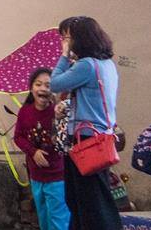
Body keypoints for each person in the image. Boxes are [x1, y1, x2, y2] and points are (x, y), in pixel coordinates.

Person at [50, 16, 121, 230]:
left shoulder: (86, 66)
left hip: (86, 140)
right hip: (100, 137)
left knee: (89, 202)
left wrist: (63, 56)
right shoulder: (105, 64)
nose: (65, 42)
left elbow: (54, 83)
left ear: (80, 39)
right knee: (87, 199)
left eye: (67, 38)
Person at [13, 67, 69, 230]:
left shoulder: (58, 112)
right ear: (31, 88)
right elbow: (18, 137)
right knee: (43, 218)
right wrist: (33, 151)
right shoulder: (25, 112)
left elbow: (65, 141)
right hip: (36, 176)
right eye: (38, 84)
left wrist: (59, 119)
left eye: (48, 85)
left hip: (57, 176)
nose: (43, 88)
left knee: (59, 219)